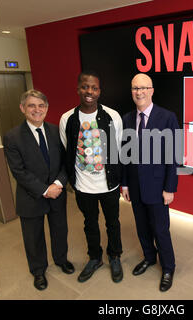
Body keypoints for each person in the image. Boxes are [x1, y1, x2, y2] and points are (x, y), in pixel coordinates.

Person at [3, 89, 74, 291]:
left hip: (57, 194)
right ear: (22, 108)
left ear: (47, 108)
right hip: (31, 197)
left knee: (60, 230)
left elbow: (65, 163)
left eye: (41, 105)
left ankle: (61, 260)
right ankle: (38, 271)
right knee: (33, 237)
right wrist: (45, 190)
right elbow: (18, 171)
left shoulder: (55, 131)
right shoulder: (12, 137)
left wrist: (58, 185)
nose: (37, 110)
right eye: (32, 105)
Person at [59, 71, 123, 283]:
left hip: (109, 185)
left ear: (99, 91)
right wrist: (72, 181)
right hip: (83, 186)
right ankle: (95, 257)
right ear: (78, 89)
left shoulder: (112, 116)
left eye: (94, 88)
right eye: (85, 87)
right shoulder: (67, 119)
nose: (90, 92)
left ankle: (114, 256)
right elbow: (68, 151)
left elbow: (118, 150)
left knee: (113, 223)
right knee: (90, 223)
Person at [121, 73, 179, 292]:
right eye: (136, 88)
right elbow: (124, 156)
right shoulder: (127, 119)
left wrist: (170, 188)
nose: (140, 92)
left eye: (144, 88)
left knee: (161, 229)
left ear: (152, 90)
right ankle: (148, 257)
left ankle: (168, 267)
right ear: (132, 91)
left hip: (158, 187)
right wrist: (125, 184)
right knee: (142, 227)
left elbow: (174, 155)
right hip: (135, 188)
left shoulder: (167, 117)